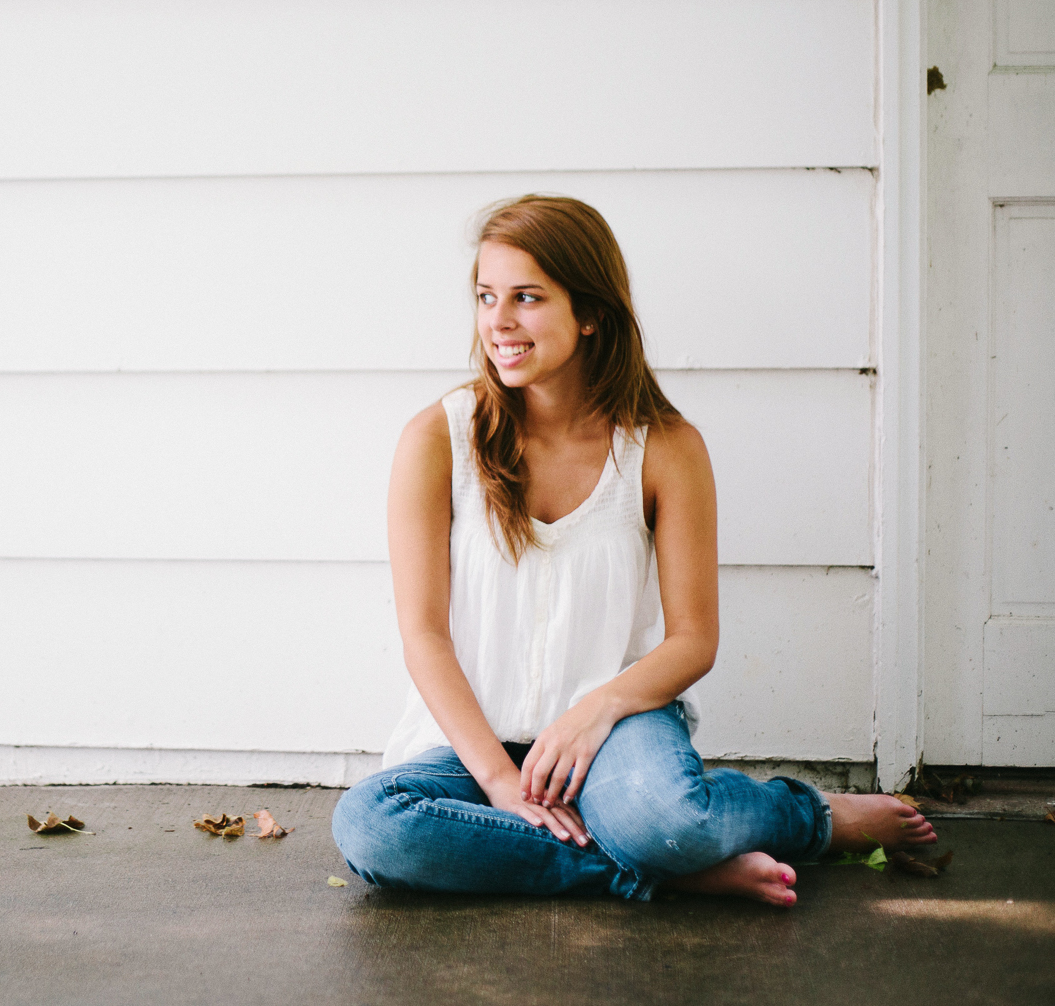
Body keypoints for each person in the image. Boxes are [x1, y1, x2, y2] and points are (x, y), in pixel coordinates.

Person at [331, 195, 935, 906]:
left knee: (665, 819)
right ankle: (657, 870)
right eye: (485, 296)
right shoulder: (437, 439)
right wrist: (498, 781)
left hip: (616, 733)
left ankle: (807, 816)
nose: (497, 321)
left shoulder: (665, 448)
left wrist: (596, 709)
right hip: (470, 745)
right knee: (371, 827)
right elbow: (424, 636)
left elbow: (693, 640)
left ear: (588, 312)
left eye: (526, 297)